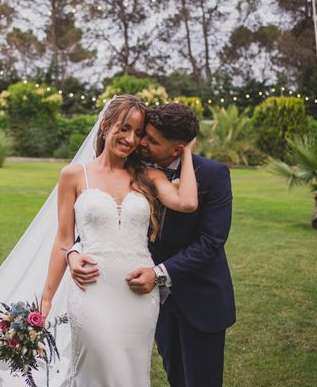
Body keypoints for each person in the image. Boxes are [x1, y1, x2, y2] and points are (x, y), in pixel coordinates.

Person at [69, 103, 235, 387]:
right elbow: (103, 219)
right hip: (153, 302)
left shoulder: (213, 175)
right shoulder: (135, 169)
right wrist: (74, 251)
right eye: (144, 134)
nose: (140, 142)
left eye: (151, 140)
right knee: (175, 376)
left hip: (200, 297)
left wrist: (158, 274)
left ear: (177, 149)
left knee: (202, 381)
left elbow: (211, 242)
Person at [40, 95, 198, 387]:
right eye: (124, 128)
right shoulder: (74, 176)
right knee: (101, 364)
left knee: (131, 373)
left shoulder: (148, 175)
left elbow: (186, 202)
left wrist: (186, 152)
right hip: (91, 291)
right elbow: (63, 239)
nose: (130, 139)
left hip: (138, 296)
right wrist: (46, 300)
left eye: (138, 133)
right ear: (104, 125)